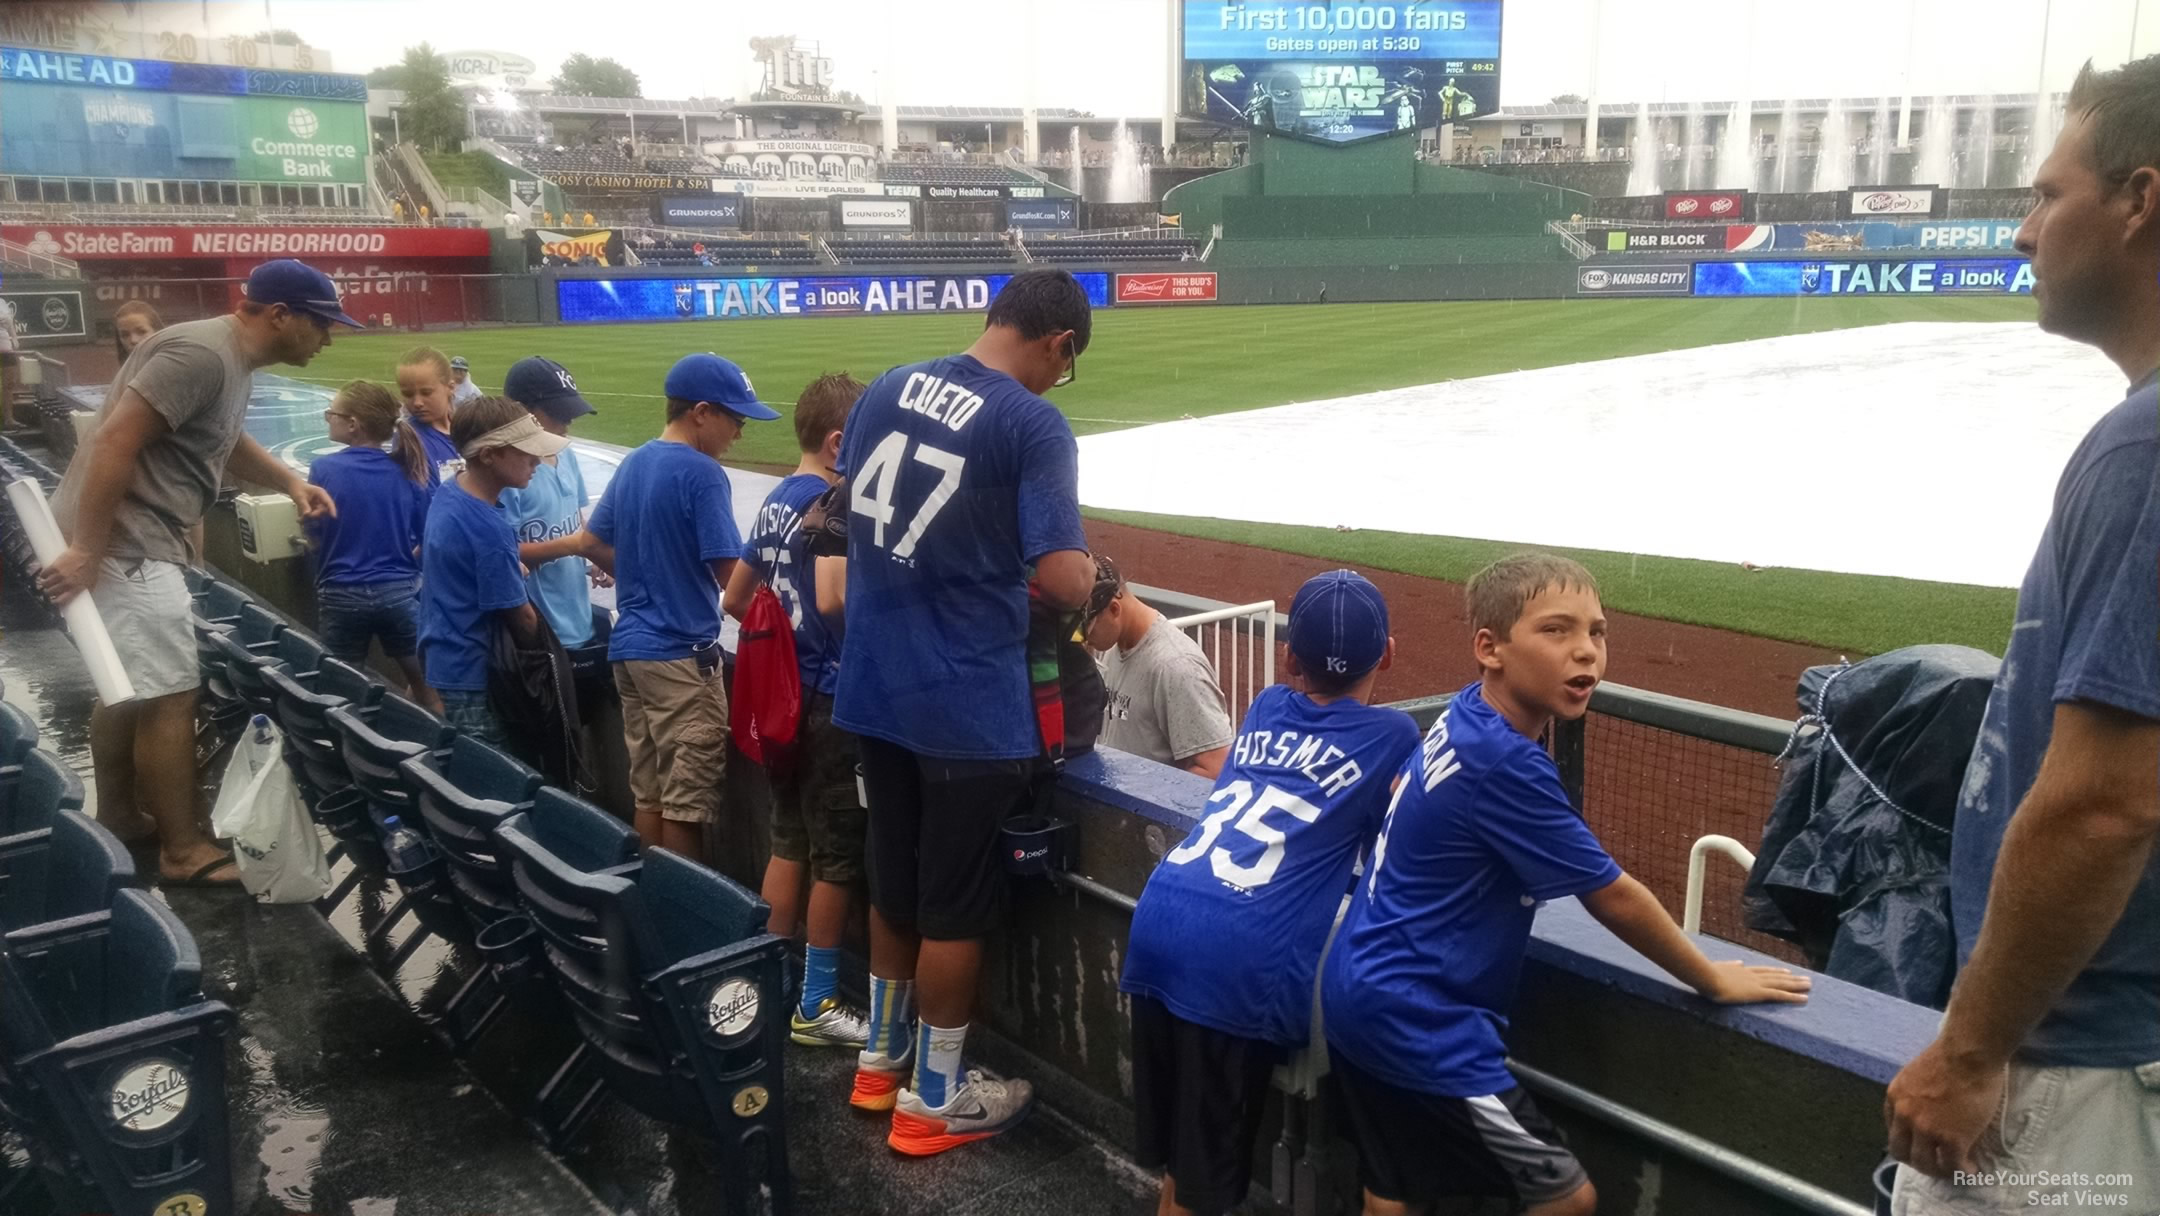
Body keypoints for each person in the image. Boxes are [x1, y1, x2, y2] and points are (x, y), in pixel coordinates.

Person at [1319, 554, 1809, 1216]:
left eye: (1597, 632)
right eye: (1556, 631)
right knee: (1565, 1197)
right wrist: (1711, 978)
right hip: (1419, 1022)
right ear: (1489, 649)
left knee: (1395, 1187)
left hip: (1359, 991)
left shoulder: (1467, 716)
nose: (1586, 652)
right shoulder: (1506, 761)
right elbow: (1611, 894)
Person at [1883, 55, 2160, 1214]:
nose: (2021, 230)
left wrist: (1971, 1050)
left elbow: (2108, 800)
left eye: (2046, 196)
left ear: (2140, 199)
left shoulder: (2143, 452)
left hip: (2077, 1063)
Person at [834, 269, 1096, 1155]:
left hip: (875, 687)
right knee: (955, 906)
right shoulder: (1032, 421)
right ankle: (935, 1100)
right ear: (1058, 344)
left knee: (893, 882)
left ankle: (879, 1062)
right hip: (967, 706)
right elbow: (1064, 577)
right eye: (1067, 365)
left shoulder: (881, 387)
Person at [39, 259, 350, 888]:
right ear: (280, 315)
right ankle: (181, 850)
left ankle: (124, 814)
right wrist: (90, 549)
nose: (329, 338)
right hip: (131, 544)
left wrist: (290, 480)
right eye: (321, 325)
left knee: (125, 686)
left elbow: (220, 439)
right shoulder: (205, 355)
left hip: (130, 542)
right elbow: (113, 442)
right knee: (171, 694)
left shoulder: (224, 358)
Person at [1122, 570, 1420, 1216]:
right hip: (1233, 962)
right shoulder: (1395, 737)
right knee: (1205, 1190)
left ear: (1289, 658)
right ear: (1388, 655)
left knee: (1184, 1161)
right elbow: (1386, 852)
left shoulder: (1263, 706)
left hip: (1160, 921)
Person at [573, 353, 777, 862]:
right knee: (687, 804)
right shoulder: (703, 473)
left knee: (651, 794)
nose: (739, 433)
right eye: (737, 419)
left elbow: (593, 542)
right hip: (680, 657)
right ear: (701, 411)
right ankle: (684, 920)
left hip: (630, 651)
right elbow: (732, 578)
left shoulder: (637, 459)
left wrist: (646, 577)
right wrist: (783, 638)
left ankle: (651, 906)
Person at [721, 372, 870, 1051]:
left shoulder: (780, 496)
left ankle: (770, 982)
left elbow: (734, 599)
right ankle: (816, 1003)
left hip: (777, 703)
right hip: (828, 698)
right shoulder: (835, 505)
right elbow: (837, 604)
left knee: (789, 842)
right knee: (837, 858)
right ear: (841, 441)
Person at [418, 395, 564, 746]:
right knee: (496, 789)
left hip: (445, 661)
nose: (537, 462)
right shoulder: (489, 528)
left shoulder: (451, 490)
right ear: (488, 455)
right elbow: (523, 619)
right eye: (526, 451)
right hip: (476, 677)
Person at [304, 380, 439, 714]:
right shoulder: (407, 470)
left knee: (340, 695)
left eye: (330, 414)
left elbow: (313, 530)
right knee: (429, 691)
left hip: (340, 594)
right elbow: (427, 536)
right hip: (399, 593)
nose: (328, 419)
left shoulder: (323, 469)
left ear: (353, 424)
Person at [1082, 555, 1233, 778]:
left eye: (1085, 628)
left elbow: (1216, 767)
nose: (1083, 638)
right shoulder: (1111, 644)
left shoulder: (1177, 667)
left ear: (1114, 610)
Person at [498, 357, 607, 651]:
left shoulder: (566, 454)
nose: (567, 423)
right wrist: (574, 545)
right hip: (538, 628)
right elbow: (503, 555)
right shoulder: (510, 476)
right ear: (522, 412)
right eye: (558, 414)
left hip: (577, 616)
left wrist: (595, 555)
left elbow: (575, 518)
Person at [396, 346, 462, 486]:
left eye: (426, 393)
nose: (417, 403)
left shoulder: (468, 428)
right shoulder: (410, 438)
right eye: (408, 394)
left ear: (450, 387)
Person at [112, 300, 163, 365]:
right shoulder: (125, 373)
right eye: (125, 335)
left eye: (142, 332)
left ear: (157, 331)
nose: (133, 340)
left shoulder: (176, 370)